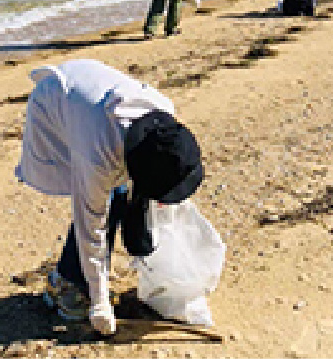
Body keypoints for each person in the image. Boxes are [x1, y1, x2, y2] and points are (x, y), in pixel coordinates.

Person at [15, 59, 204, 336]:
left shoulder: (164, 116)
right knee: (110, 200)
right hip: (55, 104)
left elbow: (167, 168)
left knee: (124, 196)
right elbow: (90, 225)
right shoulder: (96, 155)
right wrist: (100, 300)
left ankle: (120, 249)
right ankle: (66, 281)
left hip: (91, 96)